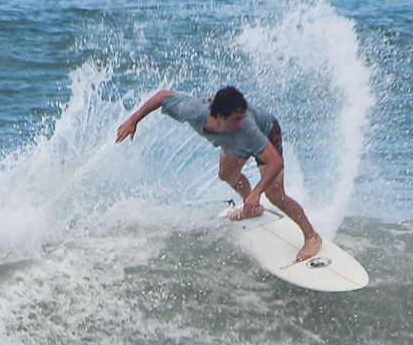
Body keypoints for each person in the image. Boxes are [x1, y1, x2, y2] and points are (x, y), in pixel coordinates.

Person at [116, 85, 323, 262]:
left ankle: (311, 236)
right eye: (237, 118)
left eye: (243, 117)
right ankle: (254, 208)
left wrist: (257, 191)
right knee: (227, 176)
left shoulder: (247, 128)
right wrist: (134, 120)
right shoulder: (194, 111)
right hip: (231, 142)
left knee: (275, 196)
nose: (242, 122)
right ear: (219, 117)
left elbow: (275, 163)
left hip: (267, 134)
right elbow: (162, 96)